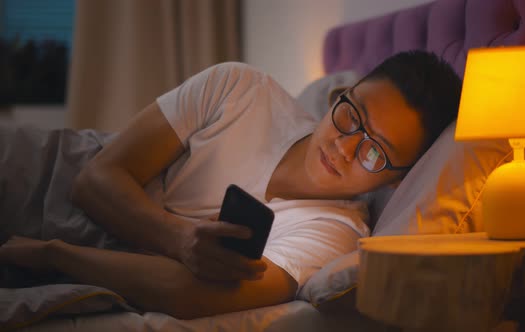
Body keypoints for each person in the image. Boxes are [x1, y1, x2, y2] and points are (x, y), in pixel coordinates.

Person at [0, 50, 462, 319]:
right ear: (340, 95)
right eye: (351, 114)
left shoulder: (331, 234)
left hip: (66, 243)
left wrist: (54, 254)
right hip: (42, 163)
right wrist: (179, 238)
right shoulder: (240, 88)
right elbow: (92, 179)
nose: (344, 146)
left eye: (374, 150)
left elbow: (187, 294)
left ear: (397, 179)